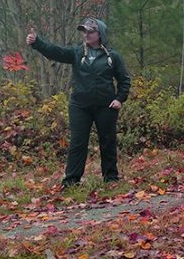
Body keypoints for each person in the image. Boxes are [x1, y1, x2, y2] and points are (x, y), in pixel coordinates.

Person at [26, 18, 131, 188]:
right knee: (78, 142)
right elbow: (56, 52)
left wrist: (119, 99)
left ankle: (111, 178)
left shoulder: (112, 56)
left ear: (100, 34)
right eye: (84, 31)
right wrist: (37, 42)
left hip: (106, 106)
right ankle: (71, 182)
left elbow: (124, 80)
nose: (86, 35)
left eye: (90, 31)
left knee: (108, 141)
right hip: (79, 106)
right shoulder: (77, 53)